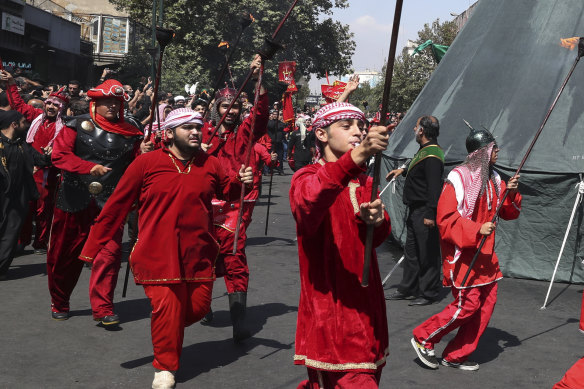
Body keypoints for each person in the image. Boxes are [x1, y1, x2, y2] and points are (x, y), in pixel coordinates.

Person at [80, 108, 253, 389]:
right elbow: (116, 206)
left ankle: (166, 328)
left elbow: (228, 193)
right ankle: (165, 367)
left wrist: (240, 181)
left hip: (198, 253)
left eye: (198, 127)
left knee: (198, 308)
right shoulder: (146, 163)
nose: (196, 131)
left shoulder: (211, 163)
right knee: (167, 307)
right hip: (156, 253)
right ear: (169, 133)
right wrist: (92, 248)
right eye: (188, 127)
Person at [290, 102, 391, 388]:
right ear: (322, 135)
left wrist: (378, 222)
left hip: (368, 310)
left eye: (360, 126)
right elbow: (311, 202)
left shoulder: (364, 182)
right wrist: (359, 155)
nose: (357, 132)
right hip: (331, 315)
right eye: (346, 127)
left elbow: (378, 239)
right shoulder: (305, 178)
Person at [411, 126, 521, 371]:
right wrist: (476, 230)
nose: (498, 151)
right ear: (482, 152)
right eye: (493, 148)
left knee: (485, 306)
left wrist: (511, 194)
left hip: (486, 258)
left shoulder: (494, 179)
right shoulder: (459, 179)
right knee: (467, 305)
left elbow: (508, 213)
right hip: (465, 255)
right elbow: (446, 219)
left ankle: (456, 355)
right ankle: (424, 338)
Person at [48, 79, 146, 323]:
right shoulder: (75, 125)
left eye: (117, 102)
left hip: (111, 204)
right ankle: (60, 301)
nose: (113, 106)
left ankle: (103, 308)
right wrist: (88, 168)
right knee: (64, 256)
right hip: (74, 199)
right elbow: (60, 156)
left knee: (109, 255)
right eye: (107, 102)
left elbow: (136, 166)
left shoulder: (132, 132)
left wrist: (146, 153)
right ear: (95, 102)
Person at [201, 55, 268, 341]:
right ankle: (200, 303)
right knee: (200, 255)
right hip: (202, 205)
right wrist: (197, 148)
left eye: (236, 105)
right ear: (216, 108)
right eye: (226, 105)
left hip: (233, 206)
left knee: (234, 257)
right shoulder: (201, 131)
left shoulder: (245, 132)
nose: (230, 110)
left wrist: (258, 80)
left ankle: (238, 321)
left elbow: (262, 114)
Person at [1, 69, 68, 254]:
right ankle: (21, 241)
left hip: (48, 173)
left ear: (61, 108)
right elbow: (17, 104)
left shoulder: (65, 127)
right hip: (27, 170)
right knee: (24, 208)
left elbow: (67, 150)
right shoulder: (35, 117)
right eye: (49, 103)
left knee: (43, 210)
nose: (51, 107)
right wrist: (11, 83)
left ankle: (40, 242)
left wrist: (56, 150)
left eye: (56, 104)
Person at [386, 116, 444, 306]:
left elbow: (434, 188)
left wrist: (430, 213)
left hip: (424, 210)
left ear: (422, 131)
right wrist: (402, 170)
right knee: (411, 251)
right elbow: (416, 163)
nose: (413, 129)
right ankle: (408, 287)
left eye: (416, 126)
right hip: (415, 210)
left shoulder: (434, 154)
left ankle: (429, 292)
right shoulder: (425, 150)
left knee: (427, 252)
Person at [0, 111, 51, 279]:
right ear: (14, 124)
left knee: (11, 232)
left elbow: (41, 160)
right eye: (23, 122)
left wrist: (48, 155)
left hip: (18, 198)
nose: (27, 126)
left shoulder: (23, 145)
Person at [266, 109, 287, 175]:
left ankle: (280, 170)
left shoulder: (281, 123)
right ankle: (268, 170)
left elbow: (283, 129)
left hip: (279, 142)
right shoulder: (269, 122)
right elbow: (271, 126)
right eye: (274, 114)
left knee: (280, 157)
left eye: (277, 115)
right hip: (271, 142)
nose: (275, 116)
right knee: (270, 156)